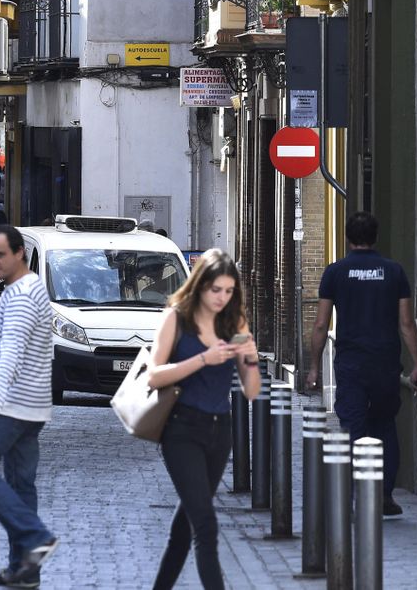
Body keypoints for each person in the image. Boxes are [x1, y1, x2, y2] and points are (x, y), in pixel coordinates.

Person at [147, 249, 261, 590]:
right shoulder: (176, 318)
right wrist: (203, 359)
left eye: (229, 291)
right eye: (216, 290)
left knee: (187, 525)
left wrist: (251, 358)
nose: (222, 298)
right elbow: (153, 376)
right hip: (181, 430)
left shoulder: (234, 323)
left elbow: (251, 390)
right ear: (200, 285)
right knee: (206, 526)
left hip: (219, 432)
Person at [305, 210, 417, 517]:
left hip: (351, 364)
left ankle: (353, 493)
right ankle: (384, 495)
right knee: (384, 425)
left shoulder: (335, 272)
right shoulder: (393, 272)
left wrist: (315, 367)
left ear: (347, 238)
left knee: (352, 426)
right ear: (376, 237)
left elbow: (321, 324)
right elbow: (406, 323)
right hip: (385, 362)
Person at [0, 224, 59, 590]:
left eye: (0, 254)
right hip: (30, 407)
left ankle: (36, 537)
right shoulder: (20, 289)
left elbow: (10, 354)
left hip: (12, 405)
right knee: (21, 487)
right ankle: (25, 571)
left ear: (20, 252)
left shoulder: (21, 296)